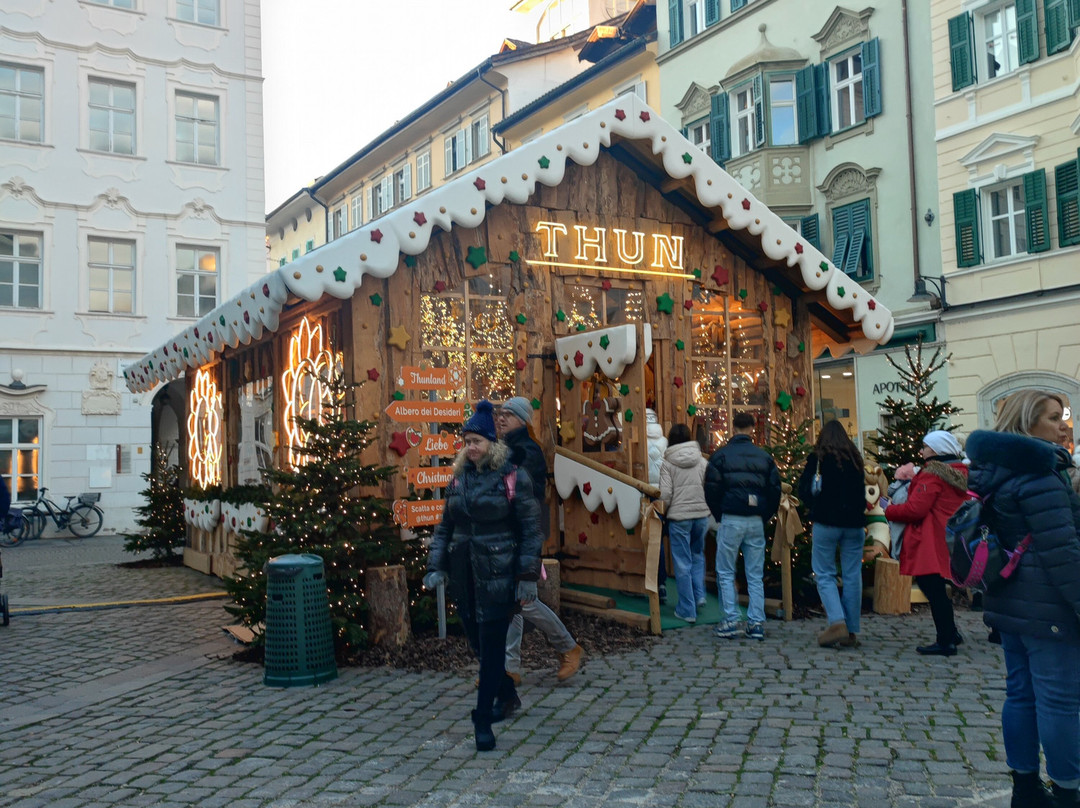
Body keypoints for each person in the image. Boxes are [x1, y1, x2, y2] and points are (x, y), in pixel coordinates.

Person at [966, 390, 1080, 808]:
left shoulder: (995, 471)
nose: (1063, 425)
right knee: (1059, 701)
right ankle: (1068, 792)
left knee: (1020, 695)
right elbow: (1062, 552)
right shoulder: (1039, 475)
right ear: (1027, 424)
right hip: (1048, 605)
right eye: (1053, 418)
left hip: (1009, 602)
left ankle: (1026, 789)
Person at [424, 400, 545, 752]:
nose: (471, 447)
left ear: (492, 443)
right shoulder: (459, 479)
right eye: (467, 441)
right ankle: (507, 695)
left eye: (476, 441)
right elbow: (445, 527)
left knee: (491, 648)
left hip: (499, 573)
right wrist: (436, 566)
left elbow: (529, 528)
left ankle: (482, 720)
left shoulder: (512, 475)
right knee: (478, 644)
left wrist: (526, 576)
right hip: (465, 574)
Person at [496, 397, 584, 683]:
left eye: (508, 415)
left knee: (524, 599)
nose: (501, 418)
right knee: (513, 603)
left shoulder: (527, 451)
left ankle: (568, 647)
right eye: (500, 414)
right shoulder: (505, 449)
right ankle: (508, 669)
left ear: (522, 420)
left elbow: (526, 497)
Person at [884, 431, 968, 656]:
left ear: (937, 450)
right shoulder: (960, 472)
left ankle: (946, 640)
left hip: (931, 538)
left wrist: (888, 509)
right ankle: (951, 633)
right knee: (937, 587)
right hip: (949, 536)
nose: (921, 451)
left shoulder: (932, 475)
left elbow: (916, 509)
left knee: (932, 587)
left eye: (925, 447)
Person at [704, 411, 781, 641]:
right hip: (755, 519)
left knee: (726, 571)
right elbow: (774, 490)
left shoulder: (721, 456)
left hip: (731, 516)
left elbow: (711, 489)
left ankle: (731, 619)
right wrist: (764, 514)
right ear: (752, 429)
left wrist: (720, 514)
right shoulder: (764, 457)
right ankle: (756, 622)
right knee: (755, 574)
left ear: (733, 427)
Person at [798, 420, 866, 648]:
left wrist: (813, 505)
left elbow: (805, 491)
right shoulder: (856, 459)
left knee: (824, 573)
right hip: (854, 524)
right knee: (852, 575)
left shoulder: (818, 459)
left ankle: (837, 622)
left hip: (827, 522)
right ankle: (852, 630)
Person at [658, 424, 710, 623]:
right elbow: (708, 486)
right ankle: (699, 595)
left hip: (679, 517)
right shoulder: (701, 461)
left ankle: (687, 609)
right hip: (701, 515)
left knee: (682, 562)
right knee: (697, 555)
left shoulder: (668, 463)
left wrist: (661, 510)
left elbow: (666, 495)